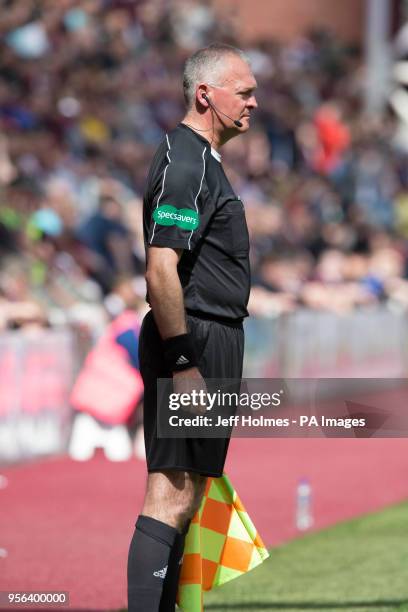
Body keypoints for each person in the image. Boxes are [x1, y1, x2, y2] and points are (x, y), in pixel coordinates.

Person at [127, 43, 257, 611]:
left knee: (191, 492)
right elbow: (161, 268)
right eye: (245, 92)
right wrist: (183, 361)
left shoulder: (203, 160)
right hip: (194, 337)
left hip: (211, 335)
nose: (255, 102)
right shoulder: (186, 160)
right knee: (170, 492)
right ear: (206, 94)